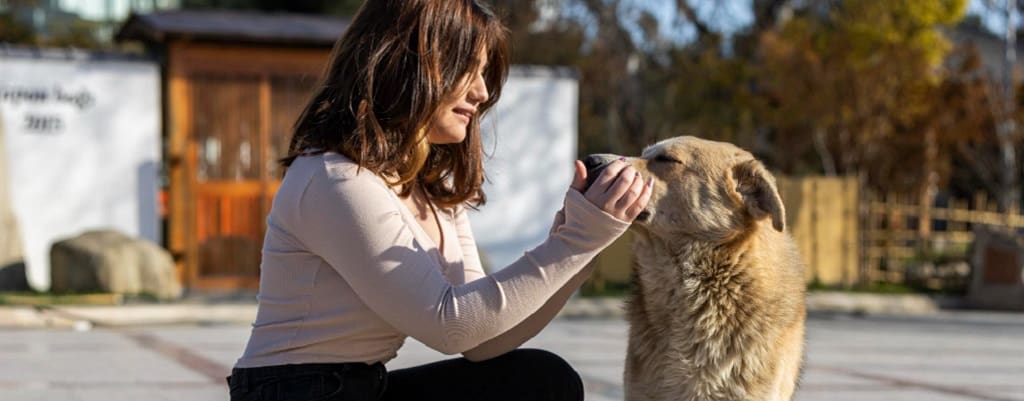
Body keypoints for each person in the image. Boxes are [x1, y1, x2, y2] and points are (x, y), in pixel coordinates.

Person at [227, 1, 652, 400]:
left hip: (362, 386)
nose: (484, 92)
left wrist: (580, 249)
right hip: (292, 392)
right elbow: (449, 326)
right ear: (408, 63)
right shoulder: (334, 179)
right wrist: (573, 243)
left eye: (486, 73)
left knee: (539, 380)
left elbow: (483, 341)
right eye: (469, 69)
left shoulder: (433, 191)